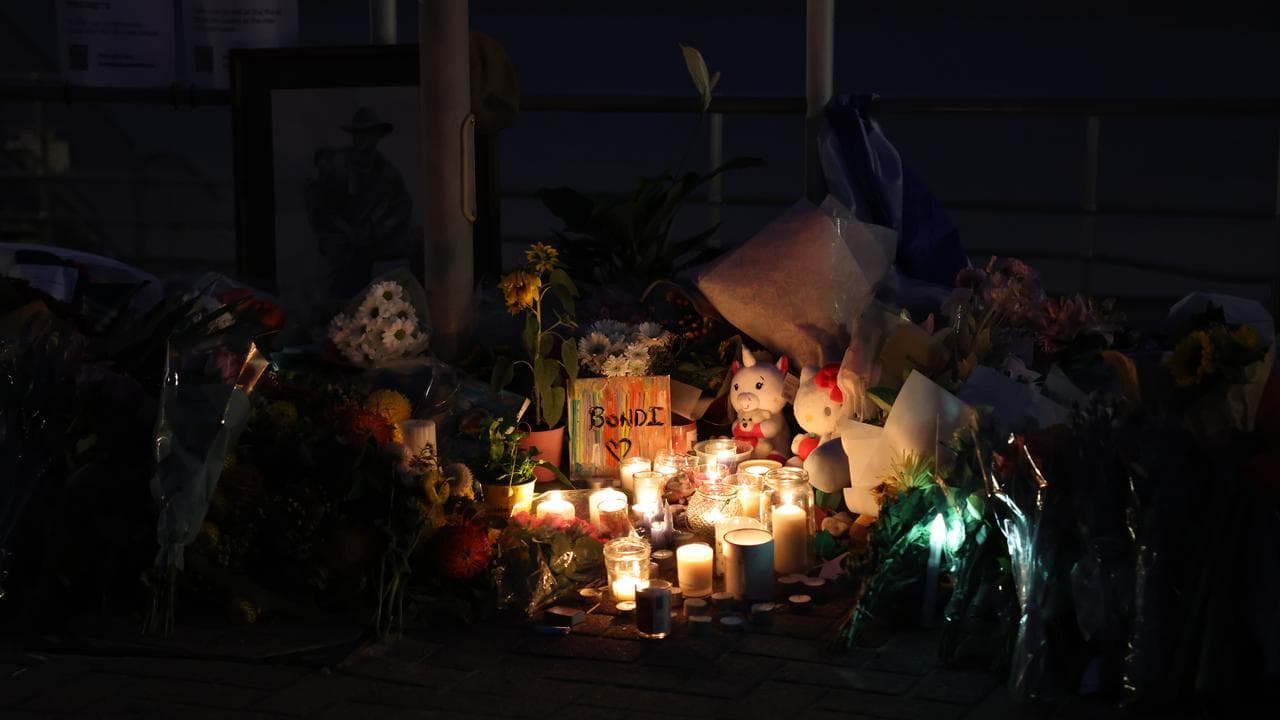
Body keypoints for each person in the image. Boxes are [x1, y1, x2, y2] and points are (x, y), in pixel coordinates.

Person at [305, 107, 413, 299]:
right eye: (358, 133)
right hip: (339, 235)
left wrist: (376, 227)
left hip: (373, 237)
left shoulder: (388, 172)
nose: (362, 138)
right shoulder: (337, 163)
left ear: (377, 136)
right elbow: (320, 204)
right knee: (337, 280)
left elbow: (402, 206)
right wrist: (344, 230)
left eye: (368, 133)